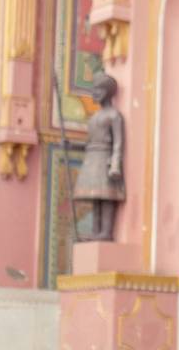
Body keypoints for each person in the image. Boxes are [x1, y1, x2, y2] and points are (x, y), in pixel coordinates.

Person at [73, 70, 125, 241]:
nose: (94, 93)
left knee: (106, 195)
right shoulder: (95, 117)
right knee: (95, 196)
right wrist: (71, 144)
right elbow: (89, 142)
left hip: (105, 157)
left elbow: (118, 142)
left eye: (97, 89)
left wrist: (115, 163)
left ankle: (106, 232)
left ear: (106, 92)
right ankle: (96, 231)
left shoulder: (114, 115)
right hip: (92, 158)